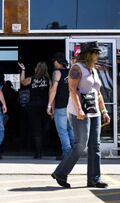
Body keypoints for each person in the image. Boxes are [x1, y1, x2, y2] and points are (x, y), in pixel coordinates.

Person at [51, 41, 111, 188]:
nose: (97, 55)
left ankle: (94, 179)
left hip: (94, 112)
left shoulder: (94, 70)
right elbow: (72, 90)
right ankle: (60, 172)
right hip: (79, 112)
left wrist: (104, 111)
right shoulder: (77, 69)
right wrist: (79, 109)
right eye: (95, 53)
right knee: (80, 144)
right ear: (88, 54)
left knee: (95, 145)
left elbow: (97, 93)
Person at [19, 61, 51, 159]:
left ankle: (38, 152)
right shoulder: (49, 80)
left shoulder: (31, 79)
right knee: (45, 128)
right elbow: (51, 94)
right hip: (45, 106)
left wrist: (23, 70)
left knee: (36, 129)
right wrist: (51, 107)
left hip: (33, 107)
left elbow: (22, 82)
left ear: (37, 69)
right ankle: (44, 148)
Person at [47, 53, 74, 160]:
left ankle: (67, 153)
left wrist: (49, 105)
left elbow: (53, 89)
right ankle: (74, 151)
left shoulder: (57, 73)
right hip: (71, 106)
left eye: (54, 61)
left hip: (61, 106)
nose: (53, 63)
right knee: (70, 130)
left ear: (58, 61)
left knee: (62, 131)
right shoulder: (71, 72)